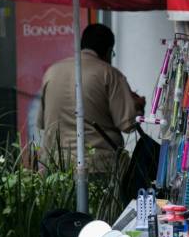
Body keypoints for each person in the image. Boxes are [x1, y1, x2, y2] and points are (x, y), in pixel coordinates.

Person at [37, 23, 146, 172]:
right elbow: (128, 124)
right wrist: (137, 106)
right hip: (98, 167)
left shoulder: (51, 72)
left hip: (56, 167)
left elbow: (42, 123)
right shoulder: (110, 74)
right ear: (108, 51)